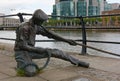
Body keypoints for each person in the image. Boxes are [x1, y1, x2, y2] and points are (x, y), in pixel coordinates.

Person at [14, 9, 89, 77]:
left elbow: (50, 34)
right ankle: (21, 63)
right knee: (31, 72)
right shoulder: (24, 27)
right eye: (42, 21)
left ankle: (77, 62)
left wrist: (67, 40)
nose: (43, 23)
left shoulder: (36, 26)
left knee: (57, 52)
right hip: (22, 52)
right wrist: (40, 50)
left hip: (32, 50)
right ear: (37, 20)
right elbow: (22, 46)